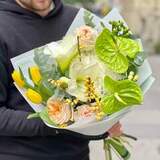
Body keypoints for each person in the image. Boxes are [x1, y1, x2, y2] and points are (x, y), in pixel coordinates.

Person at [0, 0, 122, 160]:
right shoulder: (3, 27)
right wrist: (60, 121)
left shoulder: (80, 21)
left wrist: (103, 123)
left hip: (77, 154)